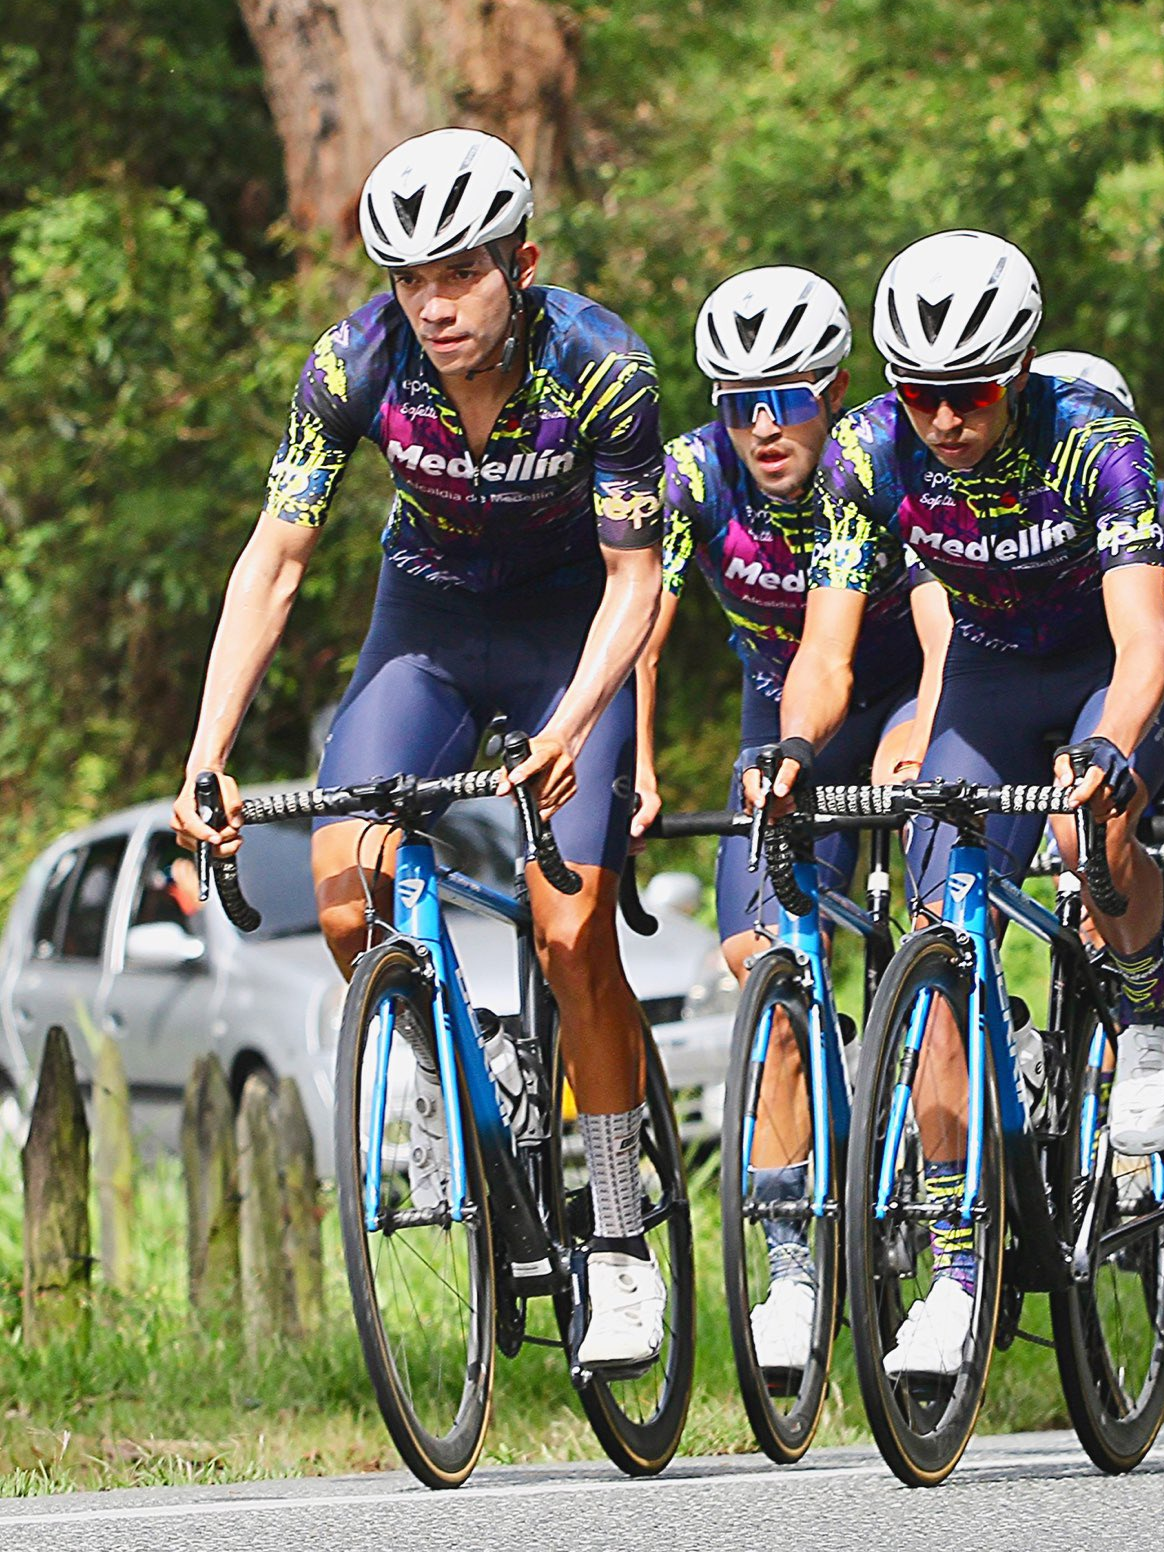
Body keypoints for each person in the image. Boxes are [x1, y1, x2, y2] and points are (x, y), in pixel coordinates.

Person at [171, 128, 670, 1368]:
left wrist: (568, 728)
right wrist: (207, 751)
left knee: (568, 931)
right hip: (431, 622)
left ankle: (616, 1239)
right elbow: (277, 559)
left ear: (522, 262)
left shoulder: (602, 366)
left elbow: (636, 577)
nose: (435, 306)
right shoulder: (353, 362)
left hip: (572, 630)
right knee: (344, 898)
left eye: (461, 274)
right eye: (411, 279)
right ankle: (460, 1078)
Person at [757, 230, 1164, 1375]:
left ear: (1020, 368)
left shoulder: (1097, 443)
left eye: (969, 393)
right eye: (920, 395)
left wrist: (1106, 742)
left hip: (1104, 660)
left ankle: (1143, 1006)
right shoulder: (865, 452)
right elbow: (827, 644)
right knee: (938, 938)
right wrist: (799, 742)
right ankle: (959, 1263)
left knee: (1087, 819)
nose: (943, 419)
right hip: (994, 673)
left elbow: (1147, 638)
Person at [632, 265, 945, 1368]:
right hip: (786, 707)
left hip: (904, 687)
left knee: (932, 886)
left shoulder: (878, 458)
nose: (764, 427)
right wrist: (636, 769)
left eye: (789, 399)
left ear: (837, 390)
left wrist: (928, 734)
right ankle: (793, 1272)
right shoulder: (687, 476)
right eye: (737, 404)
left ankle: (924, 1053)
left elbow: (944, 619)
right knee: (757, 960)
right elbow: (643, 630)